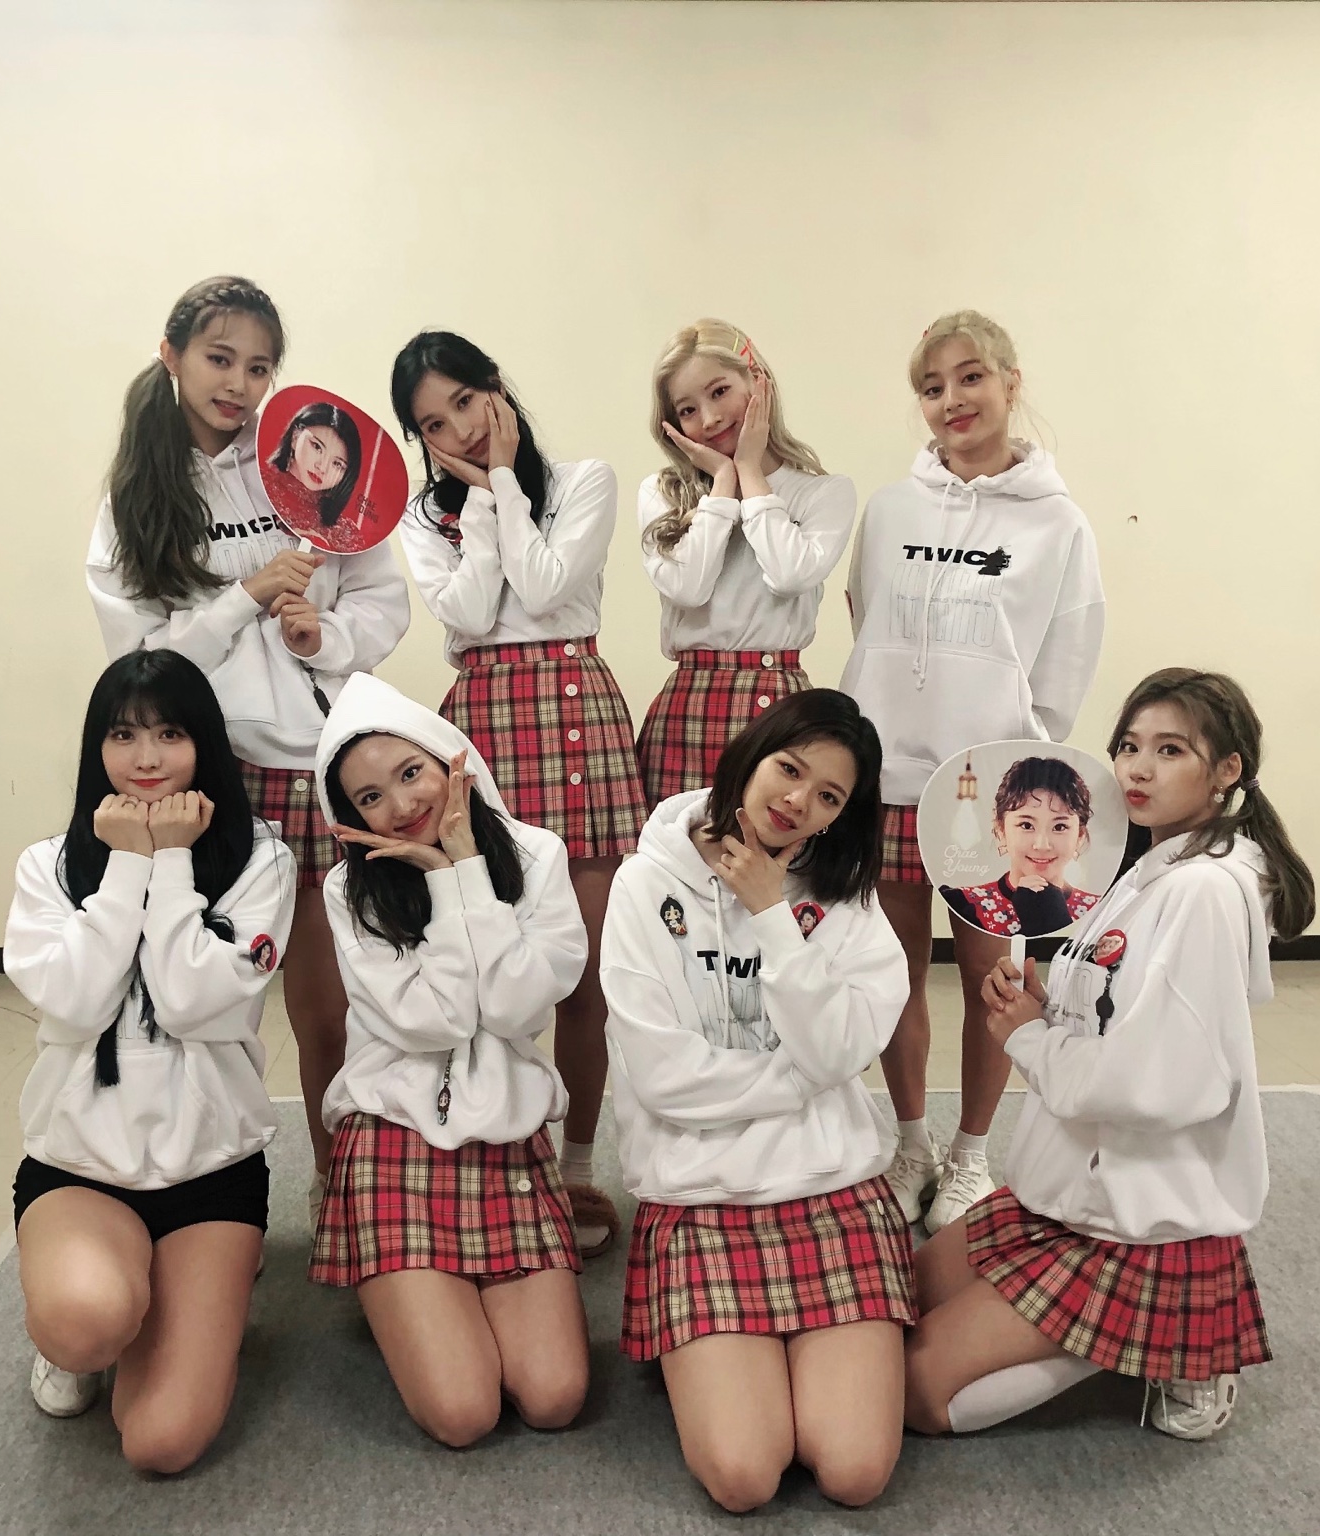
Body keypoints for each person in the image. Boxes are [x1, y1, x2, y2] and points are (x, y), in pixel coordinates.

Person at [902, 668, 1313, 1442]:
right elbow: (1115, 1012)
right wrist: (1046, 1003)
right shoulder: (1151, 869)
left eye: (1170, 750)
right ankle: (1120, 1331)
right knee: (897, 1296)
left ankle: (1157, 1341)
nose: (1138, 768)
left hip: (1134, 1224)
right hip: (1066, 1195)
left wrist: (1028, 1035)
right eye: (1129, 746)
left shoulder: (1201, 891)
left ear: (1228, 770)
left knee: (917, 1396)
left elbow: (1162, 1081)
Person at [87, 277, 409, 1216]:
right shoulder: (136, 497)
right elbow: (141, 667)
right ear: (172, 354)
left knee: (331, 1009)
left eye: (258, 366)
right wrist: (245, 599)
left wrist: (324, 636)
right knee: (210, 1005)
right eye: (219, 358)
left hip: (327, 766)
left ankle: (344, 1195)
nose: (238, 383)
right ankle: (206, 1198)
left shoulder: (308, 459)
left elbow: (381, 598)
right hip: (218, 778)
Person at [601, 689, 915, 1511]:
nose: (798, 802)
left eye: (829, 797)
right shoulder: (645, 883)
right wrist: (806, 1078)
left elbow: (847, 1048)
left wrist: (772, 915)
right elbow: (663, 1076)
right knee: (743, 1475)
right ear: (751, 754)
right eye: (790, 769)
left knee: (853, 1472)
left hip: (832, 1188)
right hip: (700, 1194)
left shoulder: (841, 896)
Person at [839, 309, 1105, 1232]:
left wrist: (1017, 761)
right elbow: (866, 619)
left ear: (1010, 381)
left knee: (999, 980)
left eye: (970, 377)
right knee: (892, 973)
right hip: (886, 782)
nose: (952, 399)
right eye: (931, 386)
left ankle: (970, 1156)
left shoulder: (1059, 524)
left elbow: (1066, 661)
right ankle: (912, 1142)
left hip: (992, 790)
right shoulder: (892, 509)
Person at [3, 650, 294, 1472]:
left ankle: (172, 1308)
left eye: (170, 734)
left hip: (211, 1172)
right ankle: (94, 1332)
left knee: (162, 1443)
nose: (146, 758)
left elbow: (192, 1000)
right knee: (85, 1324)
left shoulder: (260, 862)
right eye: (124, 735)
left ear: (204, 744)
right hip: (80, 1169)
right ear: (97, 746)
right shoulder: (48, 866)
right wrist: (128, 860)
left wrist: (171, 860)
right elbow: (74, 1003)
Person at [392, 330, 644, 1259]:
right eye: (432, 424)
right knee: (481, 955)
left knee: (586, 973)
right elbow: (465, 614)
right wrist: (482, 500)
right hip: (484, 720)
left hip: (579, 712)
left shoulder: (584, 481)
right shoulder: (422, 517)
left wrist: (501, 481)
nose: (456, 428)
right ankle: (502, 1156)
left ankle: (574, 1167)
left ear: (495, 388)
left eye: (464, 401)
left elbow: (542, 587)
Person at [308, 672, 591, 1447]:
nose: (402, 805)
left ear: (450, 760)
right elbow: (436, 1022)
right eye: (370, 798)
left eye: (411, 773)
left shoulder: (536, 855)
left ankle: (424, 1299)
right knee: (463, 1414)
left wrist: (464, 872)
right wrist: (441, 884)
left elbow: (517, 1009)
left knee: (555, 1397)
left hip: (506, 1137)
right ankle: (403, 1287)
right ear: (350, 817)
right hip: (393, 1133)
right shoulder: (349, 889)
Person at [634, 319, 856, 805]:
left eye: (720, 392)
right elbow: (689, 588)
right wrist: (721, 486)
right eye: (688, 410)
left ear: (758, 382)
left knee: (772, 847)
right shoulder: (661, 492)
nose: (710, 418)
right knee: (677, 846)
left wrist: (750, 472)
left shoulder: (824, 492)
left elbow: (789, 574)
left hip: (778, 700)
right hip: (689, 702)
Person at [939, 756, 1101, 937]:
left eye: (1059, 827)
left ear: (1080, 835)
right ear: (1001, 829)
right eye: (1026, 825)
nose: (1042, 845)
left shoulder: (1099, 909)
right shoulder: (966, 903)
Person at [267, 399, 366, 530]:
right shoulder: (258, 484)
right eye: (317, 447)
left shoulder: (342, 530)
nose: (322, 467)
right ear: (295, 437)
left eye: (337, 464)